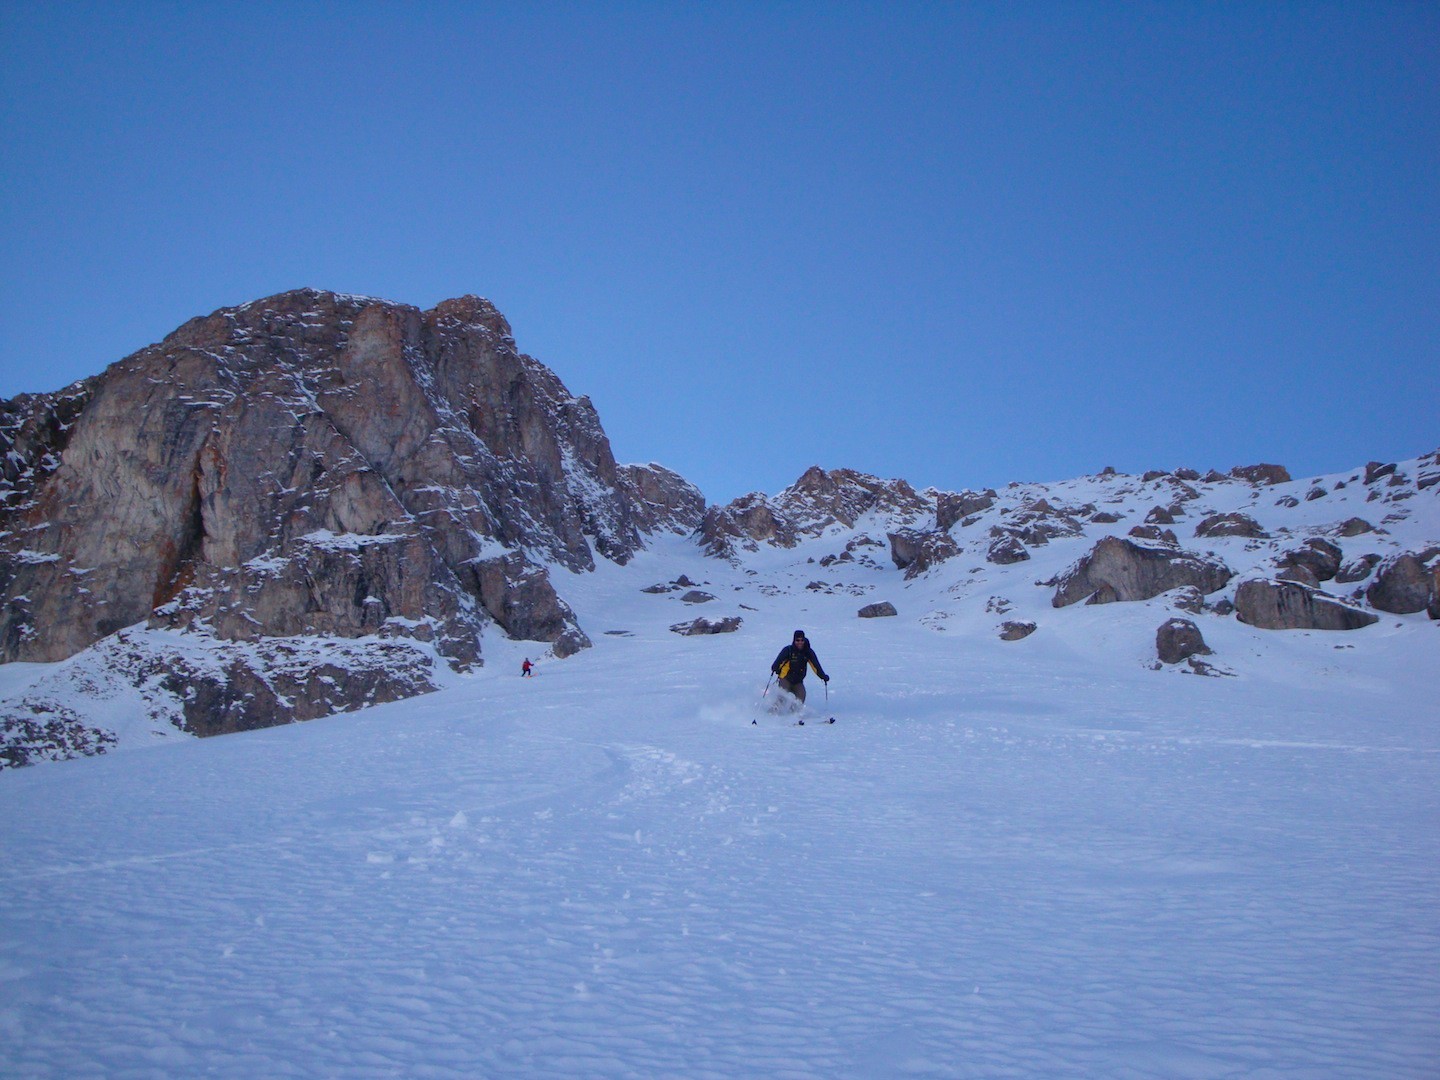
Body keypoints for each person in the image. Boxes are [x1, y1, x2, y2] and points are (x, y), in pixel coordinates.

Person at [770, 629, 828, 710]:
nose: (800, 642)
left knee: (801, 697)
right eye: (797, 640)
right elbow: (777, 662)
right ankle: (772, 713)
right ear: (794, 640)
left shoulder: (808, 652)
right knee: (782, 698)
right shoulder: (788, 650)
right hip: (785, 679)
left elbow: (816, 666)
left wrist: (823, 676)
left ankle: (793, 715)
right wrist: (775, 668)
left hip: (798, 681)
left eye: (802, 640)